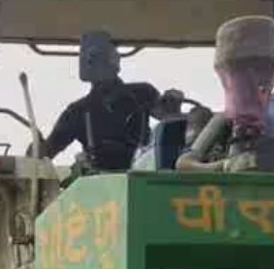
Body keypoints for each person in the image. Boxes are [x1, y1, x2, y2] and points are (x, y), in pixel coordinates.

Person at [34, 31, 182, 172]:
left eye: (101, 57)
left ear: (115, 61)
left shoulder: (142, 93)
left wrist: (173, 109)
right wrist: (37, 149)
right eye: (91, 59)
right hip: (99, 185)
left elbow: (169, 121)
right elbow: (46, 153)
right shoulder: (77, 112)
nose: (96, 65)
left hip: (142, 174)